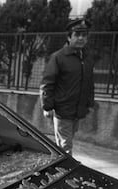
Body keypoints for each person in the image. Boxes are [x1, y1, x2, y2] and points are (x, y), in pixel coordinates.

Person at [39, 18, 95, 155]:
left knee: (65, 144)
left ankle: (57, 164)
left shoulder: (87, 58)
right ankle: (65, 172)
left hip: (77, 111)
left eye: (84, 35)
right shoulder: (58, 57)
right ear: (69, 37)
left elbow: (89, 83)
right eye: (77, 35)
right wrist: (47, 106)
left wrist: (90, 104)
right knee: (65, 146)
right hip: (62, 111)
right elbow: (47, 83)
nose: (81, 38)